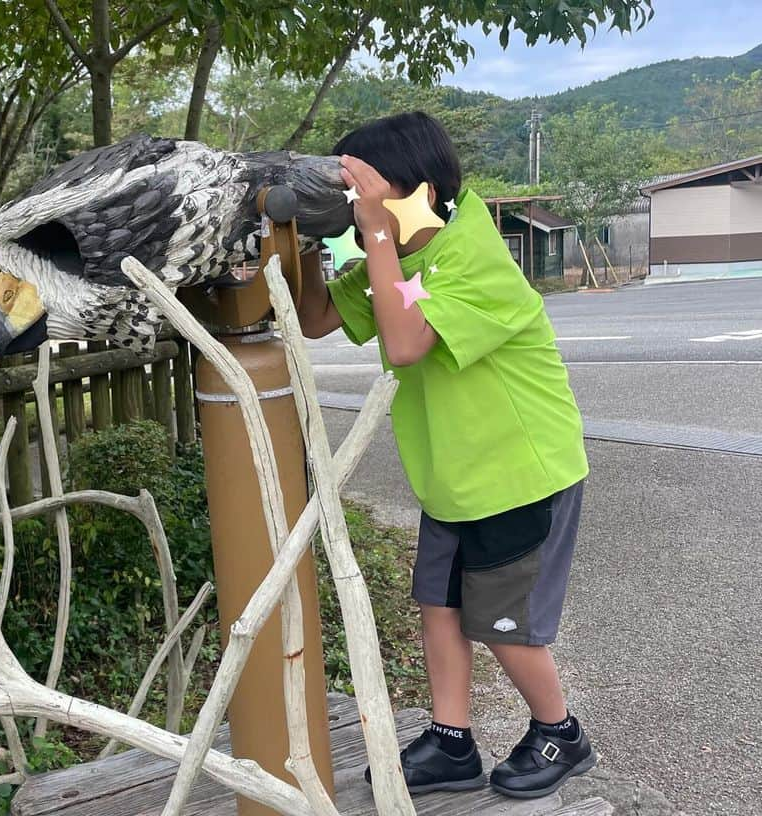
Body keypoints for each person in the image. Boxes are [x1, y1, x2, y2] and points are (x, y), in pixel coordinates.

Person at [296, 111, 594, 799]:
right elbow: (316, 320)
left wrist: (371, 232)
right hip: (454, 478)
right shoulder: (393, 255)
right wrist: (309, 240)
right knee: (439, 604)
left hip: (520, 474)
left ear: (418, 193)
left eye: (368, 198)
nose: (358, 215)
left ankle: (561, 732)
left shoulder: (471, 254)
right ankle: (453, 740)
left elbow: (404, 343)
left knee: (501, 619)